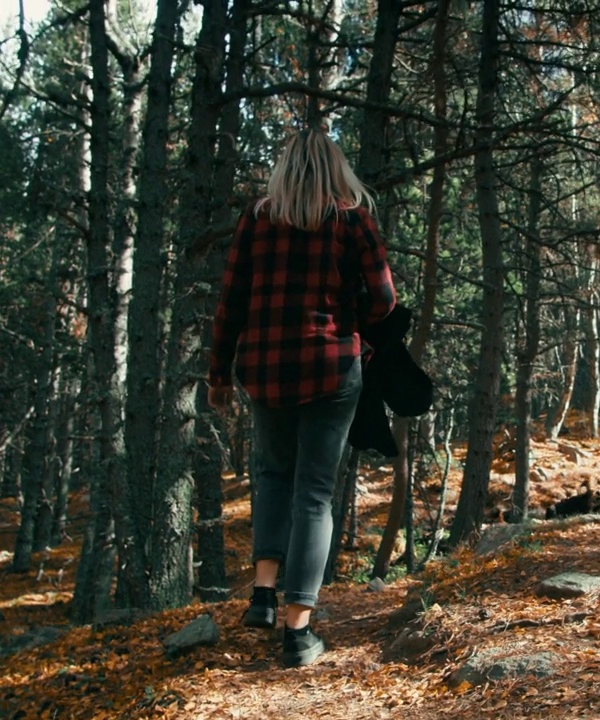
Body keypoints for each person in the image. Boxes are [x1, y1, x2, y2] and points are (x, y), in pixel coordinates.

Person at [208, 129, 395, 667]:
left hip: (264, 369)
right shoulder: (350, 218)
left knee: (272, 475)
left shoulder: (256, 218)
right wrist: (352, 326)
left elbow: (231, 301)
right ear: (336, 169)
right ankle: (298, 632)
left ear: (284, 168)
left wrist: (218, 373)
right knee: (314, 492)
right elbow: (384, 297)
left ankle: (263, 595)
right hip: (332, 367)